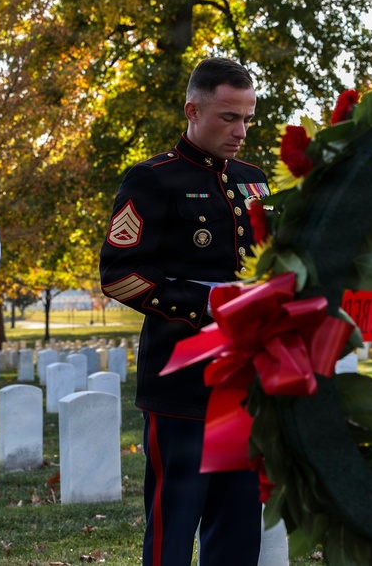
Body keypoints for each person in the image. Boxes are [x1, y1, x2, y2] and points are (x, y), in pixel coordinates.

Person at [99, 57, 270, 565]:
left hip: (245, 382)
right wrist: (210, 304)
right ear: (193, 110)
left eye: (247, 118)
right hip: (182, 383)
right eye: (228, 117)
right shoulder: (153, 180)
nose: (240, 131)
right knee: (173, 528)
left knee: (239, 529)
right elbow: (119, 275)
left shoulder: (254, 181)